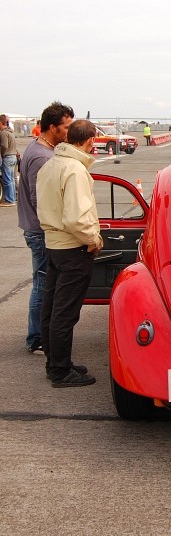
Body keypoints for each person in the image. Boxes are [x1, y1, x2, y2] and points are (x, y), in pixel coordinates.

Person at [37, 119, 103, 387]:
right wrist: (93, 239)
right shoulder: (75, 170)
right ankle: (61, 371)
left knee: (51, 308)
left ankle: (54, 362)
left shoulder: (51, 164)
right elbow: (76, 217)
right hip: (73, 247)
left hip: (53, 244)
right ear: (90, 140)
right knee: (65, 313)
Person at [17, 101, 74, 353]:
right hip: (41, 231)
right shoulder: (42, 157)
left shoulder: (40, 148)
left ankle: (40, 334)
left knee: (43, 282)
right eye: (66, 127)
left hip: (37, 228)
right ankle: (37, 337)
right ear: (53, 127)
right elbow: (38, 198)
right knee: (42, 284)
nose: (69, 131)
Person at [0, 114, 18, 206]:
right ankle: (13, 198)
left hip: (7, 157)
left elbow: (4, 146)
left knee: (7, 180)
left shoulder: (3, 133)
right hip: (13, 157)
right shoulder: (10, 132)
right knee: (11, 179)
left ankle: (9, 200)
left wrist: (2, 154)